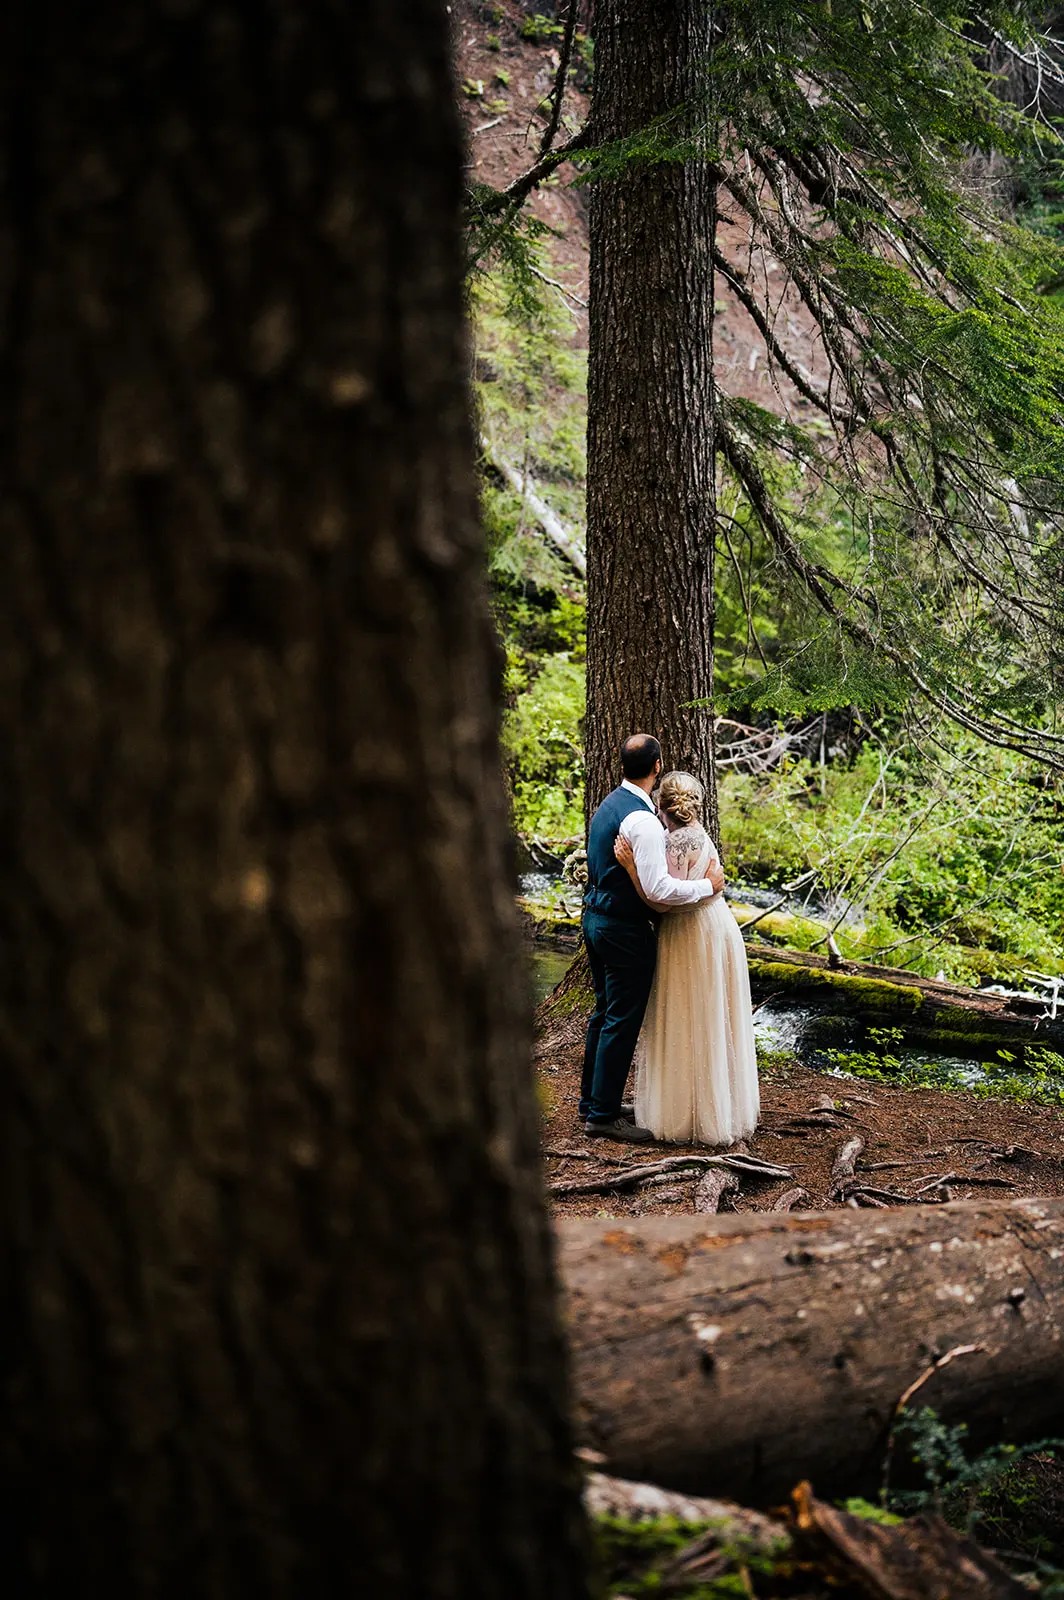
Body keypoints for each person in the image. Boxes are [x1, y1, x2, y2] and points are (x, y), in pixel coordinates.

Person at [580, 735, 725, 1143]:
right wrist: (707, 887)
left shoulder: (611, 803)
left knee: (604, 1014)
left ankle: (593, 1101)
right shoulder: (643, 822)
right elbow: (659, 890)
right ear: (657, 766)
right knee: (620, 1021)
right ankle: (603, 1115)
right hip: (623, 930)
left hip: (596, 919)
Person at [614, 770, 759, 1146]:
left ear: (661, 804)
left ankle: (687, 1116)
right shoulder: (700, 834)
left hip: (689, 932)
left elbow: (662, 903)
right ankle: (718, 1108)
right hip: (718, 926)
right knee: (710, 1017)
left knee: (686, 1017)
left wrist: (631, 869)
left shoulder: (674, 843)